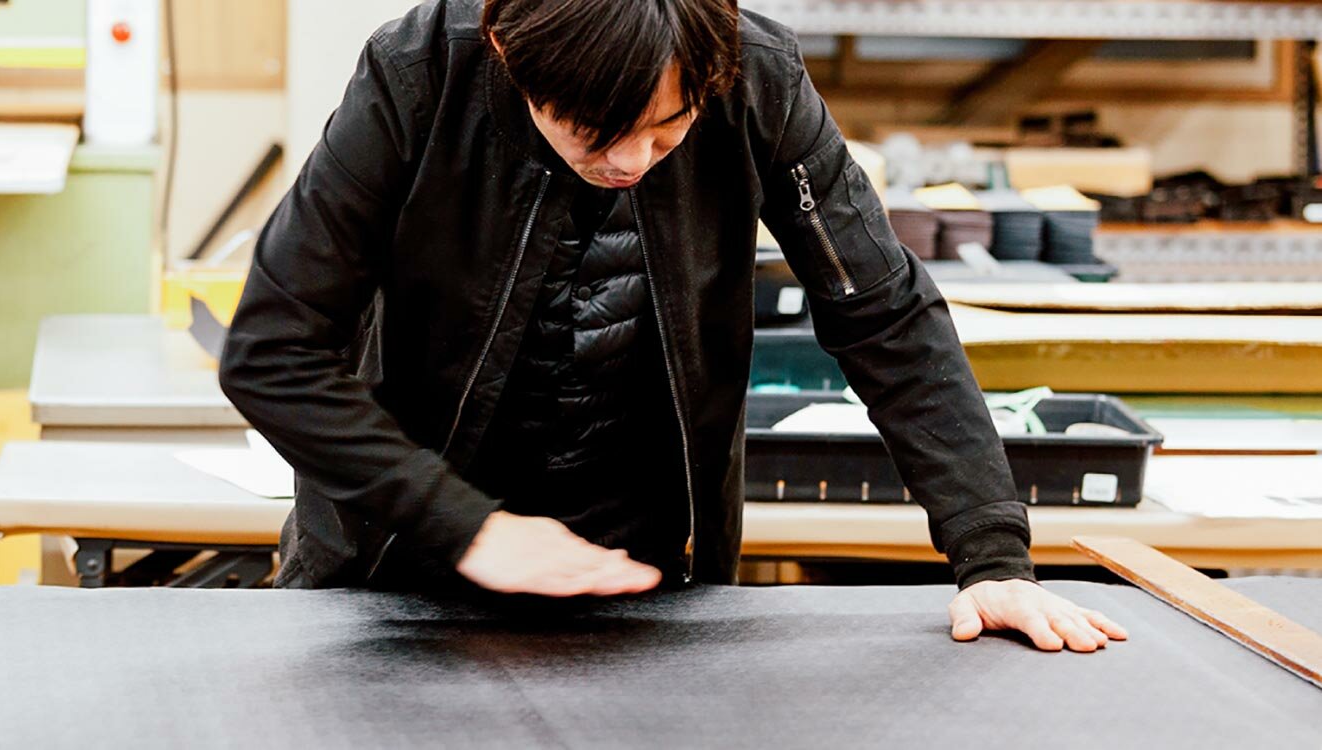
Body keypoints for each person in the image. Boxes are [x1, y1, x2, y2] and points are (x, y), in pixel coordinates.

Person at [219, 0, 1128, 652]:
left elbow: (882, 309)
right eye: (591, 129)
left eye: (667, 127)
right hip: (393, 574)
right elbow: (272, 353)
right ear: (505, 43)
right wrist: (468, 527)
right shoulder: (419, 72)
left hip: (647, 585)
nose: (629, 161)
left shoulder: (756, 73)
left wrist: (991, 552)